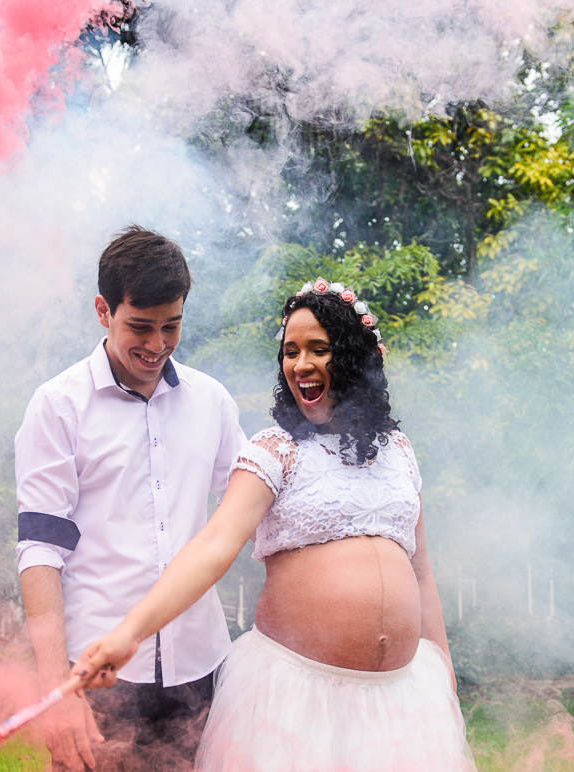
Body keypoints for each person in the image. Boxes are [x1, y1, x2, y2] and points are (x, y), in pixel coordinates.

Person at [73, 277, 476, 770]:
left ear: (354, 357)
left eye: (318, 349)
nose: (300, 364)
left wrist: (444, 678)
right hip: (293, 700)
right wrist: (130, 633)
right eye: (290, 352)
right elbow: (213, 547)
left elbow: (421, 573)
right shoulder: (276, 450)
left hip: (402, 700)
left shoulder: (399, 452)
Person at [15, 226, 247, 771]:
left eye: (172, 326)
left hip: (202, 664)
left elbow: (250, 510)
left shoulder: (211, 401)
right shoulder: (58, 406)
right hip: (99, 673)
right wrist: (56, 689)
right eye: (140, 327)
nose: (158, 345)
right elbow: (40, 550)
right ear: (103, 310)